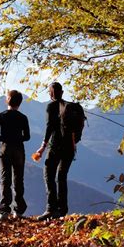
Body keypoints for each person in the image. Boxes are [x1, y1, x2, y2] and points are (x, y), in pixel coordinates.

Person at [34, 82, 76, 221]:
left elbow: (49, 127)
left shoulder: (51, 106)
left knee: (49, 174)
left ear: (51, 93)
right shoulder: (70, 107)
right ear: (62, 92)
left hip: (55, 146)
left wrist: (43, 146)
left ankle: (51, 209)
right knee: (62, 177)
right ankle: (62, 210)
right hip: (70, 148)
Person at [0, 90, 30, 220]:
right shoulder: (23, 118)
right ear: (20, 103)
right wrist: (18, 138)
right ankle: (18, 210)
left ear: (7, 100)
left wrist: (5, 138)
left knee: (5, 179)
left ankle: (4, 209)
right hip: (19, 149)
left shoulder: (1, 116)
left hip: (5, 149)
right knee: (18, 179)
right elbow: (27, 137)